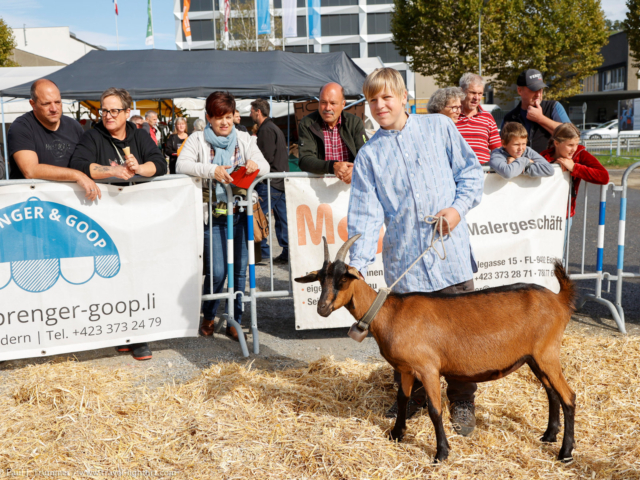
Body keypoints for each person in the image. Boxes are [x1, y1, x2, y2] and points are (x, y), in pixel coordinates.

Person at [347, 68, 484, 436]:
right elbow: (365, 214)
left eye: (386, 97)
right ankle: (417, 395)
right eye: (373, 100)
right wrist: (356, 265)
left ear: (404, 96)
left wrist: (456, 209)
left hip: (448, 255)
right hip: (406, 263)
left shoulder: (439, 128)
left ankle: (462, 399)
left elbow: (471, 174)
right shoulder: (369, 156)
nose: (380, 106)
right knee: (407, 338)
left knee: (460, 337)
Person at [176, 91, 270, 340]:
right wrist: (211, 170)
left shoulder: (244, 138)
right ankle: (209, 315)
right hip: (213, 215)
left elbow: (266, 165)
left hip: (241, 214)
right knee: (217, 271)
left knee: (240, 271)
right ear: (208, 117)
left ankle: (234, 320)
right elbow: (181, 164)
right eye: (219, 117)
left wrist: (254, 165)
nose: (225, 122)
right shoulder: (197, 139)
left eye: (228, 116)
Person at [7, 79, 100, 201]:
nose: (54, 108)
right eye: (46, 104)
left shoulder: (74, 126)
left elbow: (86, 162)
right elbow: (30, 170)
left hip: (72, 204)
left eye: (58, 102)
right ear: (32, 104)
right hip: (33, 205)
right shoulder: (21, 127)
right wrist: (77, 175)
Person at [69, 88, 167, 183]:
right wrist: (113, 171)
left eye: (114, 111)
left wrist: (139, 168)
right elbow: (77, 165)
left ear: (127, 112)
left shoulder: (140, 135)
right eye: (104, 111)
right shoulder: (92, 136)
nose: (108, 116)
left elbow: (161, 164)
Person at [298, 82, 368, 184]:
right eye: (323, 102)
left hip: (349, 186)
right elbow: (305, 160)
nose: (327, 108)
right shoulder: (307, 123)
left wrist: (356, 168)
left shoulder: (355, 122)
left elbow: (365, 155)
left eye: (333, 103)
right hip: (319, 187)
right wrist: (332, 166)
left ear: (343, 104)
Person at [540, 123, 609, 219]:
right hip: (542, 212)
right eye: (570, 145)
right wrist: (553, 166)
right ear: (556, 143)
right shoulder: (543, 156)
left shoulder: (580, 154)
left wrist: (574, 168)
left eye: (576, 144)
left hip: (565, 214)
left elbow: (604, 176)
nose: (574, 149)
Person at [250, 98, 290, 264]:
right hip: (279, 180)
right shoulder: (273, 128)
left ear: (258, 112)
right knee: (282, 219)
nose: (250, 114)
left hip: (271, 181)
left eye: (251, 111)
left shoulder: (266, 130)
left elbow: (265, 159)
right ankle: (288, 252)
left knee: (256, 216)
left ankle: (262, 253)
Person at [501, 69, 571, 153]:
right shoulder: (509, 118)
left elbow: (570, 134)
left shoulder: (553, 107)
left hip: (550, 165)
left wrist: (540, 119)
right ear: (520, 90)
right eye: (533, 89)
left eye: (540, 89)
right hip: (522, 165)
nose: (538, 94)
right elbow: (503, 147)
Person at [456, 73, 501, 164]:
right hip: (456, 174)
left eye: (480, 93)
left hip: (482, 173)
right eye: (472, 93)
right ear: (461, 91)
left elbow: (496, 149)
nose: (477, 98)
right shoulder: (452, 116)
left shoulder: (488, 117)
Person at [489, 122, 554, 179]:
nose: (521, 148)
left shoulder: (527, 151)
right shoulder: (497, 154)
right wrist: (527, 161)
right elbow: (507, 173)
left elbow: (549, 170)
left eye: (524, 144)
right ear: (504, 143)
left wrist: (523, 163)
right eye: (516, 144)